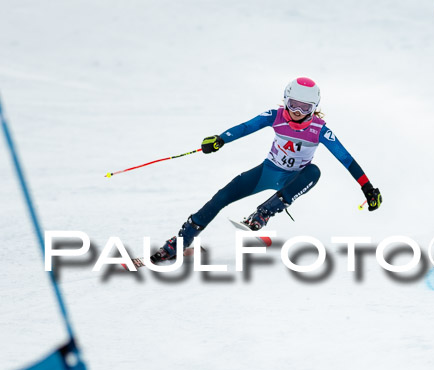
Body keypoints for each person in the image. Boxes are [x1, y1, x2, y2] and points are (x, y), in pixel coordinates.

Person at [151, 77, 382, 262]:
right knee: (221, 197)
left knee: (314, 172)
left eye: (305, 108)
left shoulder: (320, 130)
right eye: (293, 106)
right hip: (266, 173)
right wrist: (220, 140)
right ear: (286, 101)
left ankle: (263, 213)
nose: (298, 113)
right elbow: (246, 127)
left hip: (294, 181)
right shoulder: (276, 116)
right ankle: (180, 242)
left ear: (314, 108)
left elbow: (346, 158)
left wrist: (368, 188)